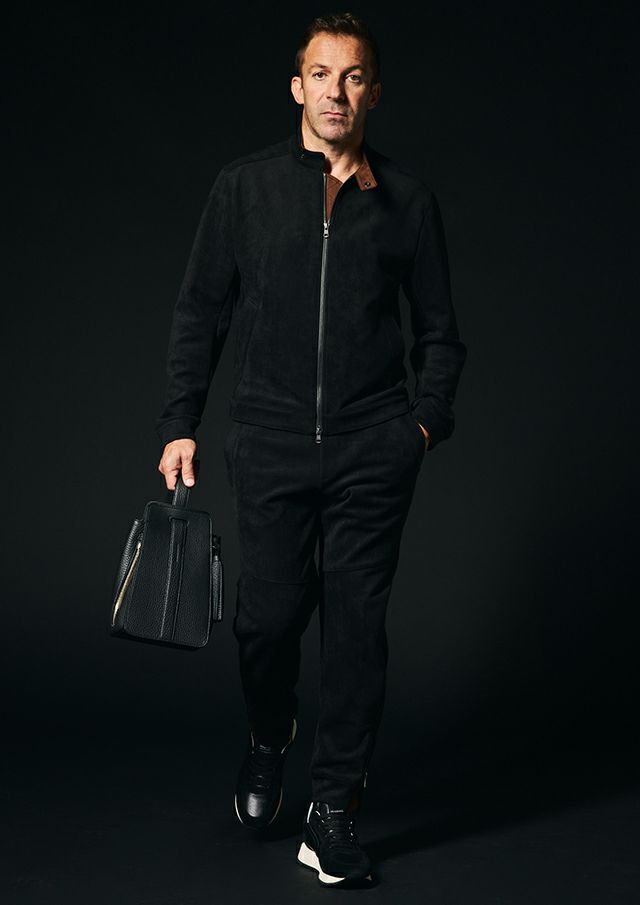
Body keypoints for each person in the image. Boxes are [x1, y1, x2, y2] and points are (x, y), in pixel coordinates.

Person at [156, 11, 467, 888]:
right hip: (270, 442)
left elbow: (440, 334)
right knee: (267, 620)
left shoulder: (408, 202)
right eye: (322, 75)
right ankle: (270, 733)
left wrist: (420, 426)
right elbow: (200, 311)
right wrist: (181, 420)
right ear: (298, 87)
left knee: (359, 631)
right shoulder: (244, 188)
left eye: (354, 76)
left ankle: (331, 812)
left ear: (374, 92)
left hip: (374, 447)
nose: (337, 91)